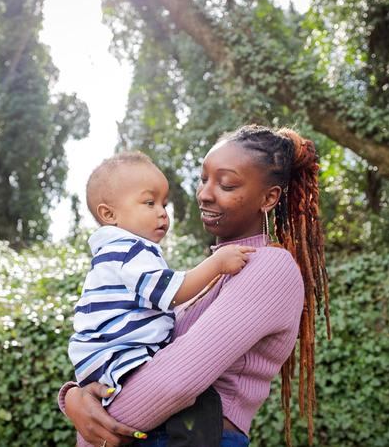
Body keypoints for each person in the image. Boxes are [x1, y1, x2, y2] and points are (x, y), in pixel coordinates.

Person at [59, 125, 331, 447]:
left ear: (269, 198)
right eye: (204, 179)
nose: (204, 193)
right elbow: (136, 352)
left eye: (226, 183)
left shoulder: (269, 268)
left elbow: (175, 383)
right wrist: (75, 396)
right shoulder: (203, 277)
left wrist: (89, 433)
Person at [70, 151, 256, 445]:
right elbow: (170, 293)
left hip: (107, 362)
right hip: (124, 357)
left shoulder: (113, 254)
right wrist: (217, 265)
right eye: (149, 202)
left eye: (164, 204)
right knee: (201, 405)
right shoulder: (129, 250)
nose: (162, 213)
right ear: (109, 215)